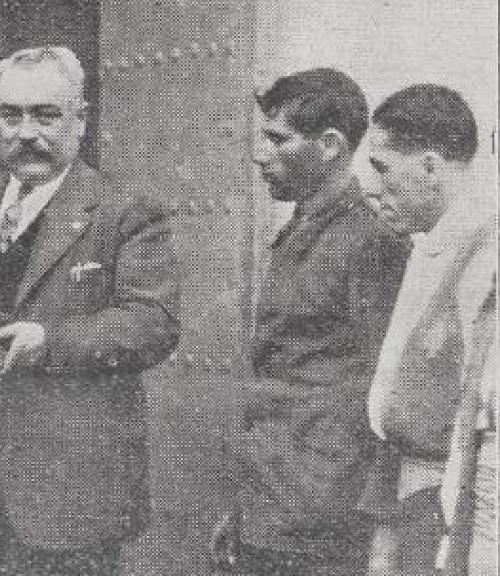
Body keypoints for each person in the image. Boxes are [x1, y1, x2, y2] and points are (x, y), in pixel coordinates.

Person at [0, 46, 180, 576]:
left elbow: (152, 323)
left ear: (81, 120)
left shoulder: (124, 211)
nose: (26, 132)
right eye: (11, 115)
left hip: (64, 491)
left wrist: (50, 341)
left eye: (46, 115)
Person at [211, 68, 409, 575]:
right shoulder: (304, 226)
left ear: (329, 145)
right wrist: (244, 506)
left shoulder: (369, 242)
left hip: (318, 520)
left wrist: (321, 504)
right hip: (273, 502)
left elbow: (385, 392)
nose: (260, 154)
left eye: (278, 139)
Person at [364, 84, 495, 576]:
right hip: (413, 500)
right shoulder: (428, 246)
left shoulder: (488, 256)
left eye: (382, 168)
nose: (373, 189)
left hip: (459, 515)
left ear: (430, 167)